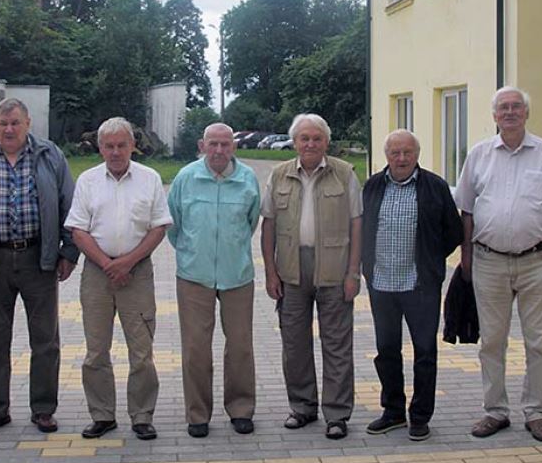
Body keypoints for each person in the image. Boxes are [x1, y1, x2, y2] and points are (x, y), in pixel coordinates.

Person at [455, 87, 542, 443]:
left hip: (540, 260)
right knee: (491, 341)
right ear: (494, 116)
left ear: (526, 113)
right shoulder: (478, 155)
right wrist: (466, 258)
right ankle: (494, 411)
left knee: (540, 343)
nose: (510, 113)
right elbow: (467, 212)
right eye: (503, 108)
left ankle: (537, 412)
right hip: (488, 261)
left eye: (516, 107)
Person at [0, 98, 78, 436]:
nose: (9, 129)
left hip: (39, 259)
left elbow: (71, 204)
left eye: (15, 123)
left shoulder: (50, 156)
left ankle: (43, 410)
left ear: (28, 124)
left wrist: (69, 251)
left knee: (45, 340)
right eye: (3, 124)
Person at [66, 117, 173, 440]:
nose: (115, 152)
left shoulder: (149, 178)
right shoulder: (87, 180)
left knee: (141, 351)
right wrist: (107, 263)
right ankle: (102, 415)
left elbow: (159, 227)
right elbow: (77, 230)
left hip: (137, 273)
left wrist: (127, 262)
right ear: (100, 148)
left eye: (121, 145)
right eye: (109, 146)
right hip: (97, 274)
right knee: (96, 350)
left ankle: (142, 416)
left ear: (132, 146)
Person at [261, 113, 363, 439]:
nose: (310, 144)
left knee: (336, 344)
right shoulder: (278, 175)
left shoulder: (344, 174)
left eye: (316, 138)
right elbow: (269, 225)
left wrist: (353, 273)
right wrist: (270, 271)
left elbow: (357, 225)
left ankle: (337, 414)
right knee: (294, 344)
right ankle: (302, 407)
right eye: (304, 138)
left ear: (326, 142)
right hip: (291, 270)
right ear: (294, 142)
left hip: (334, 269)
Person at [360, 129, 463, 441]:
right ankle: (392, 412)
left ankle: (420, 416)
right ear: (386, 156)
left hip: (421, 285)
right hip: (381, 283)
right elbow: (361, 228)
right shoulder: (373, 185)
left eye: (407, 152)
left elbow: (453, 232)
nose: (401, 158)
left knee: (425, 352)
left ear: (417, 154)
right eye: (395, 153)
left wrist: (430, 260)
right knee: (386, 350)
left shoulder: (435, 187)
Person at [166, 122, 261, 438]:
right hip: (195, 275)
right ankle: (197, 415)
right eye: (213, 144)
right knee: (195, 349)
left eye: (225, 144)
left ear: (233, 146)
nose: (219, 150)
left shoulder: (247, 179)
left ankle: (241, 409)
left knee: (240, 347)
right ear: (202, 145)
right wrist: (193, 252)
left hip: (237, 275)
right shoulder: (186, 178)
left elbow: (251, 222)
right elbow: (173, 225)